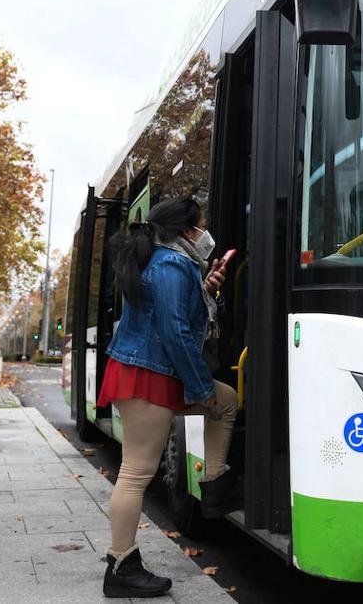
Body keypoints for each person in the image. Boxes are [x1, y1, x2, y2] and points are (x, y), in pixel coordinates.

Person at [96, 196, 239, 598]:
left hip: (152, 371)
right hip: (148, 375)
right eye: (201, 225)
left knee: (225, 401)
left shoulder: (172, 264)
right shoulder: (171, 265)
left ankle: (215, 485)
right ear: (186, 230)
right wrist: (199, 387)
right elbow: (175, 332)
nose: (205, 233)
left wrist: (206, 288)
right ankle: (121, 564)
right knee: (137, 472)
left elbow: (179, 317)